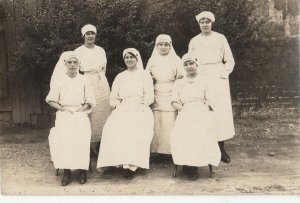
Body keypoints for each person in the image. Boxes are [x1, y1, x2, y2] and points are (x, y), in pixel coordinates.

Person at [96, 48, 154, 179]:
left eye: (131, 57)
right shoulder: (120, 76)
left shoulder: (145, 75)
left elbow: (149, 96)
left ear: (137, 58)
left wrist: (141, 106)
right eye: (126, 57)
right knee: (111, 127)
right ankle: (116, 162)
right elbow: (113, 97)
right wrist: (118, 106)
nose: (129, 60)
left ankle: (130, 165)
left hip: (141, 108)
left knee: (134, 129)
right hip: (123, 107)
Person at [188, 11, 235, 163]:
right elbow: (189, 61)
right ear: (199, 24)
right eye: (202, 22)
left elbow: (229, 60)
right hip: (201, 76)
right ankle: (203, 148)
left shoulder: (220, 38)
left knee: (219, 113)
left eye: (207, 21)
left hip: (217, 77)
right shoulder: (194, 41)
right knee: (203, 110)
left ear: (212, 23)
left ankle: (221, 149)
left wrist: (223, 74)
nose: (205, 24)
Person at [46, 51, 96, 186]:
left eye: (75, 62)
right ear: (65, 64)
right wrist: (63, 109)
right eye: (70, 62)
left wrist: (81, 109)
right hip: (64, 112)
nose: (72, 65)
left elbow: (90, 100)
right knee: (65, 137)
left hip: (80, 111)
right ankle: (67, 171)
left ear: (78, 64)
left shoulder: (84, 79)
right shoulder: (59, 80)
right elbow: (50, 100)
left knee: (81, 137)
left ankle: (81, 171)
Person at [170, 53, 221, 180]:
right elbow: (174, 101)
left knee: (198, 131)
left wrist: (202, 109)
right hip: (185, 110)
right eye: (186, 64)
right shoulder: (179, 82)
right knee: (180, 132)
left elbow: (210, 99)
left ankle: (193, 167)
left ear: (197, 64)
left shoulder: (205, 80)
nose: (189, 67)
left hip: (201, 111)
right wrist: (183, 109)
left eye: (191, 63)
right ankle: (187, 162)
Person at [74, 24, 112, 157]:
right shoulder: (78, 51)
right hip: (87, 80)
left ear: (95, 35)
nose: (90, 36)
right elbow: (76, 70)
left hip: (101, 81)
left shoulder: (101, 50)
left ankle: (103, 143)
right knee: (89, 111)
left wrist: (100, 78)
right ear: (83, 36)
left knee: (104, 111)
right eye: (88, 33)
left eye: (92, 33)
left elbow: (104, 67)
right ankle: (88, 145)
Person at [146, 34, 183, 161]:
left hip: (171, 91)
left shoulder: (176, 60)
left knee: (170, 122)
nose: (163, 47)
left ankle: (170, 151)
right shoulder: (152, 60)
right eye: (160, 45)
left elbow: (180, 78)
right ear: (156, 46)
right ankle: (157, 151)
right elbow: (147, 77)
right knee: (157, 122)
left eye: (166, 45)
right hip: (157, 92)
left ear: (170, 46)